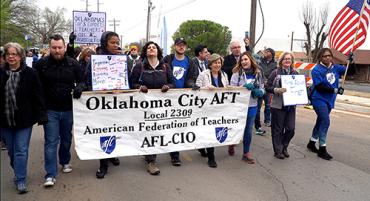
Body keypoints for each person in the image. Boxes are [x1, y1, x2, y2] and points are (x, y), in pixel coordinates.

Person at [34, 34, 84, 187]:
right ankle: (50, 174)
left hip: (69, 109)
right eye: (54, 47)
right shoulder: (41, 64)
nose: (57, 51)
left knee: (66, 138)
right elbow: (36, 88)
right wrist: (40, 112)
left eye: (59, 47)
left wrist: (80, 87)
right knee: (51, 141)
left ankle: (65, 161)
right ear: (49, 48)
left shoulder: (73, 64)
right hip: (50, 110)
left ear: (64, 47)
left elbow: (83, 80)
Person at [0, 42, 47, 194]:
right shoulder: (0, 72)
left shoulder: (30, 73)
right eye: (8, 54)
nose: (11, 57)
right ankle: (18, 169)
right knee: (12, 152)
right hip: (4, 120)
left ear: (20, 56)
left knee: (21, 150)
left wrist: (41, 115)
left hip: (24, 120)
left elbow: (37, 95)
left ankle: (20, 179)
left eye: (14, 54)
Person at [130, 41, 176, 175]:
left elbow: (172, 83)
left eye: (154, 47)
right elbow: (132, 83)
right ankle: (148, 155)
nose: (151, 49)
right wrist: (139, 87)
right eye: (149, 47)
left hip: (160, 107)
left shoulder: (166, 66)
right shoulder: (140, 66)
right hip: (144, 106)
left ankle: (151, 161)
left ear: (158, 51)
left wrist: (168, 87)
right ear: (145, 51)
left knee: (154, 131)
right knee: (147, 130)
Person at [83, 31, 122, 178]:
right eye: (112, 42)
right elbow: (87, 80)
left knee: (115, 129)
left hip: (117, 102)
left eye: (117, 42)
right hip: (101, 102)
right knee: (103, 131)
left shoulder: (120, 58)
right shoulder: (95, 59)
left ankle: (112, 154)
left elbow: (127, 79)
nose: (115, 45)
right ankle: (103, 165)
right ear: (104, 42)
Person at [162, 38, 199, 166]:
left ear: (186, 47)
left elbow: (191, 77)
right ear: (175, 46)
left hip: (183, 99)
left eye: (183, 45)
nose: (181, 47)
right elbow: (162, 74)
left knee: (177, 126)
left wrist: (191, 84)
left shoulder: (190, 62)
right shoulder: (167, 59)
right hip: (167, 97)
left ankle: (175, 154)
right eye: (179, 45)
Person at [306, 48, 346, 160]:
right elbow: (319, 86)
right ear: (320, 58)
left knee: (320, 120)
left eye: (329, 55)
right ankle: (322, 148)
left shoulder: (336, 68)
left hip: (330, 100)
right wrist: (335, 90)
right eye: (325, 56)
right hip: (318, 98)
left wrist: (352, 62)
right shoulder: (316, 70)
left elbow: (351, 72)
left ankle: (312, 143)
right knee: (325, 121)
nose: (328, 58)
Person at [228, 51, 264, 163]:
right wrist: (243, 87)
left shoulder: (258, 73)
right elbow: (231, 89)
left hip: (252, 105)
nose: (243, 61)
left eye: (246, 59)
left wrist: (260, 92)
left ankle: (246, 153)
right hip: (238, 106)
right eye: (242, 60)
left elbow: (263, 87)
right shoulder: (236, 73)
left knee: (248, 129)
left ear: (250, 61)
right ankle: (231, 143)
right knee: (236, 127)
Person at [195, 53, 229, 168]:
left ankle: (202, 147)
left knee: (213, 130)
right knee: (208, 131)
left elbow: (227, 90)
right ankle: (211, 158)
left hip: (218, 109)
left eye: (219, 62)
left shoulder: (224, 75)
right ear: (210, 64)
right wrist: (205, 88)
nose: (217, 65)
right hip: (206, 108)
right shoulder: (203, 74)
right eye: (215, 62)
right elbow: (196, 88)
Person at [265, 52, 298, 159]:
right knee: (277, 129)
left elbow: (299, 88)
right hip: (278, 105)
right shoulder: (275, 72)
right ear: (281, 61)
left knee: (290, 129)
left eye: (289, 59)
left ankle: (284, 146)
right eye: (285, 59)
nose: (287, 61)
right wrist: (276, 90)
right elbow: (267, 86)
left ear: (292, 61)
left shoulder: (295, 73)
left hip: (291, 105)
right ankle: (278, 150)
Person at [255, 48, 277, 135]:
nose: (265, 53)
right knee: (258, 105)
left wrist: (268, 81)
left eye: (268, 51)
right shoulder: (260, 61)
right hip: (260, 84)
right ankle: (257, 122)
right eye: (265, 51)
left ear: (272, 53)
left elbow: (275, 74)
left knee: (268, 105)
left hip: (268, 86)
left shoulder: (274, 64)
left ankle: (267, 120)